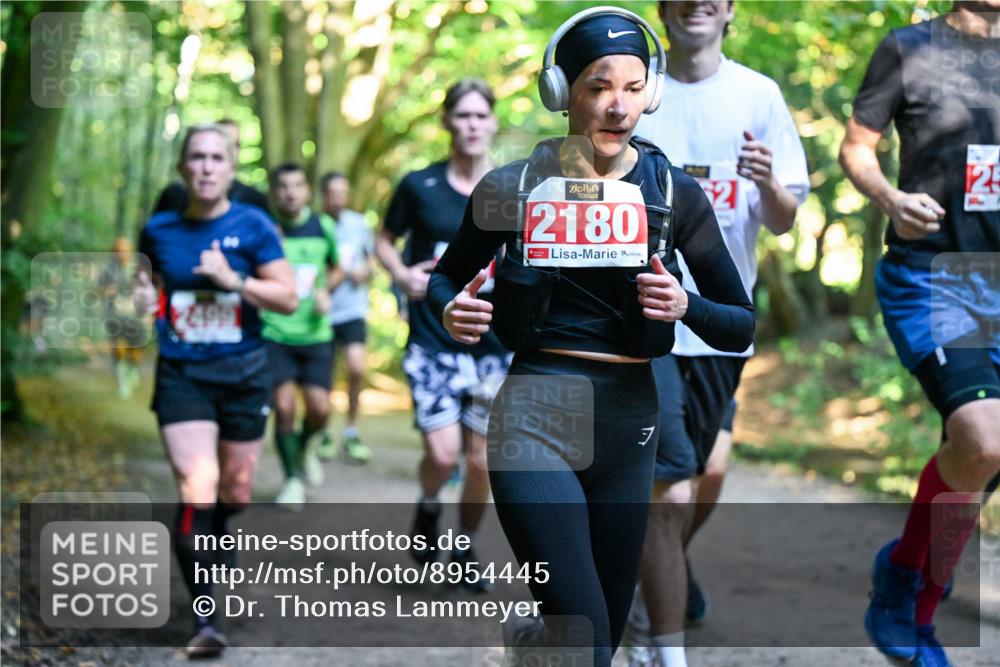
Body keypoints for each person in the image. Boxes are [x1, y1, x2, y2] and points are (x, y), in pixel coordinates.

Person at [427, 8, 754, 666]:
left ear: (651, 95)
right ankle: (544, 637)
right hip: (536, 415)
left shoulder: (673, 192)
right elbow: (443, 282)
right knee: (585, 637)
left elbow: (739, 321)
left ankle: (530, 640)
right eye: (598, 87)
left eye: (634, 89)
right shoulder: (511, 187)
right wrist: (451, 311)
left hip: (631, 422)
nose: (617, 106)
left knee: (596, 642)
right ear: (562, 91)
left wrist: (685, 304)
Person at [624, 2, 810, 665]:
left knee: (706, 474)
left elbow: (785, 219)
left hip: (721, 317)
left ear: (730, 10)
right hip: (644, 315)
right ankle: (653, 623)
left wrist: (767, 186)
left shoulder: (757, 94)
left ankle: (663, 566)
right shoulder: (637, 86)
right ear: (662, 10)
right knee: (667, 484)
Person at [839, 2, 999, 665]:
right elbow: (856, 146)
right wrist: (890, 199)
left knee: (978, 461)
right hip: (936, 279)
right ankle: (911, 603)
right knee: (983, 441)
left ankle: (906, 572)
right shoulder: (908, 47)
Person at [135, 123, 296, 658]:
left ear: (230, 169)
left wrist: (235, 282)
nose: (205, 167)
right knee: (196, 486)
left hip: (245, 374)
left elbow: (288, 299)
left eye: (216, 158)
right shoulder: (158, 229)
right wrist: (139, 302)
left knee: (236, 492)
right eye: (196, 158)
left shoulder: (253, 226)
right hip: (183, 375)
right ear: (183, 168)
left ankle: (216, 530)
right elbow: (147, 289)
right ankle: (207, 620)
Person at [375, 78, 511, 591]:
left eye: (481, 116)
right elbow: (384, 240)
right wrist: (402, 274)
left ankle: (463, 545)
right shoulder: (418, 186)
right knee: (442, 453)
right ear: (446, 121)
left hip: (492, 347)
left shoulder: (510, 189)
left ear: (492, 122)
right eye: (463, 116)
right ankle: (429, 507)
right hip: (432, 340)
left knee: (480, 462)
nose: (472, 125)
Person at [261, 163, 340, 509]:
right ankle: (291, 478)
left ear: (307, 191)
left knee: (320, 410)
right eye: (282, 186)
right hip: (275, 331)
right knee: (284, 406)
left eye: (297, 185)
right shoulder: (266, 229)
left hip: (315, 334)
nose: (290, 193)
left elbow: (336, 268)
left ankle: (306, 447)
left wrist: (327, 291)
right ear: (274, 192)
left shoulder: (323, 226)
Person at [320, 171, 374, 464]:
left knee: (356, 368)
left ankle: (351, 429)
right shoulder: (316, 225)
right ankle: (325, 431)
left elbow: (370, 262)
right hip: (325, 312)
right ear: (323, 196)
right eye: (332, 193)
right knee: (324, 376)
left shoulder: (359, 223)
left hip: (353, 309)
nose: (338, 198)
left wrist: (365, 272)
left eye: (342, 192)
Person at [153, 118, 271, 216]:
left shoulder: (254, 200)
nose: (208, 168)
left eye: (236, 144)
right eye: (198, 156)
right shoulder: (173, 195)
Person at [100, 237, 148, 398]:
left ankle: (133, 371)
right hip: (115, 315)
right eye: (118, 250)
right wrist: (107, 291)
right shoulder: (108, 270)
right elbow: (98, 292)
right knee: (119, 349)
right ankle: (122, 384)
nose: (121, 254)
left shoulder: (139, 269)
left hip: (135, 316)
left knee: (134, 352)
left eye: (124, 250)